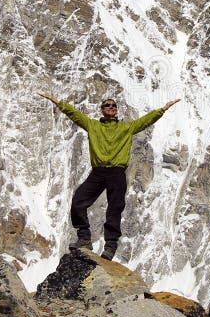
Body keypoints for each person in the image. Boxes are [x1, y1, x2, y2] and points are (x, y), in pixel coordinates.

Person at [38, 93, 181, 260]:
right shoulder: (92, 125)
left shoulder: (126, 128)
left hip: (117, 172)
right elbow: (74, 114)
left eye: (114, 106)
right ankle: (84, 237)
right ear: (102, 110)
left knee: (114, 209)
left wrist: (163, 109)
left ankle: (110, 246)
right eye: (107, 105)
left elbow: (145, 121)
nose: (111, 107)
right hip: (98, 172)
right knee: (78, 200)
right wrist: (56, 101)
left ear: (117, 110)